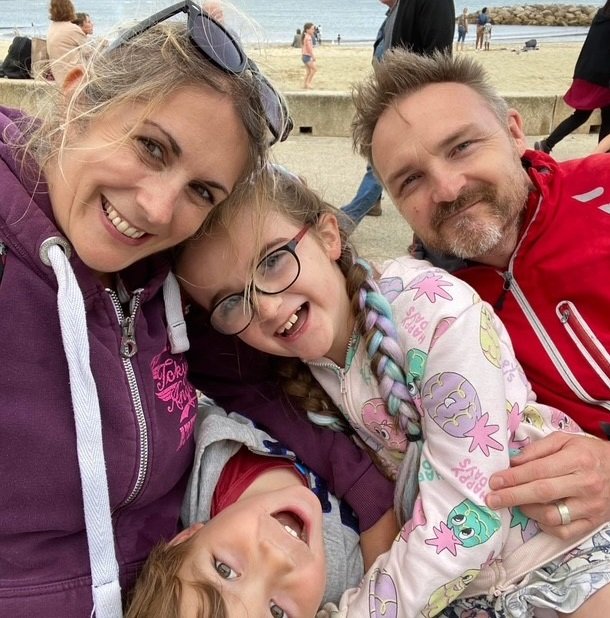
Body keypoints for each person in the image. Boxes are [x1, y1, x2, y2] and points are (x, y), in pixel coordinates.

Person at [0, 1, 397, 614]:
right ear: (78, 94)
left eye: (201, 190)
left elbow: (250, 389)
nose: (158, 209)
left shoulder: (160, 280)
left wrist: (369, 495)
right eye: (152, 148)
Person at [175, 164, 610, 616]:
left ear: (328, 236)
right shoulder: (302, 368)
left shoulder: (435, 309)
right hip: (462, 594)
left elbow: (469, 519)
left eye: (272, 260)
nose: (264, 307)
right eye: (231, 301)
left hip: (564, 550)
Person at [350, 48, 610, 542]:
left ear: (514, 131)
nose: (447, 189)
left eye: (462, 147)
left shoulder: (601, 193)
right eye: (411, 180)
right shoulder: (427, 312)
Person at [125, 401, 365, 616]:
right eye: (277, 612)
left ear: (186, 538)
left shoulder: (203, 450)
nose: (277, 557)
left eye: (224, 569)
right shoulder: (349, 576)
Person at [341, 0, 455, 229]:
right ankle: (373, 204)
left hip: (412, 109)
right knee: (384, 163)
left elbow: (439, 61)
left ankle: (347, 219)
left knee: (388, 164)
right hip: (393, 105)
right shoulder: (393, 13)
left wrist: (421, 110)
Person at [534, 0, 610, 154]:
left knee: (584, 115)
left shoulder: (601, 17)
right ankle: (602, 158)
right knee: (605, 119)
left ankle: (547, 144)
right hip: (602, 78)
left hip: (585, 72)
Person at [46, 0, 87, 85]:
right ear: (70, 8)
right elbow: (90, 51)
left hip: (59, 77)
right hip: (75, 79)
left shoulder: (52, 28)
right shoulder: (72, 29)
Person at [301, 22, 317, 89]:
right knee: (314, 70)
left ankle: (305, 84)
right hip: (307, 56)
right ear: (307, 30)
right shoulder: (308, 38)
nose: (313, 30)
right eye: (312, 29)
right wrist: (313, 56)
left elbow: (304, 47)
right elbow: (309, 48)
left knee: (309, 71)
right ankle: (308, 83)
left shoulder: (306, 37)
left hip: (305, 56)